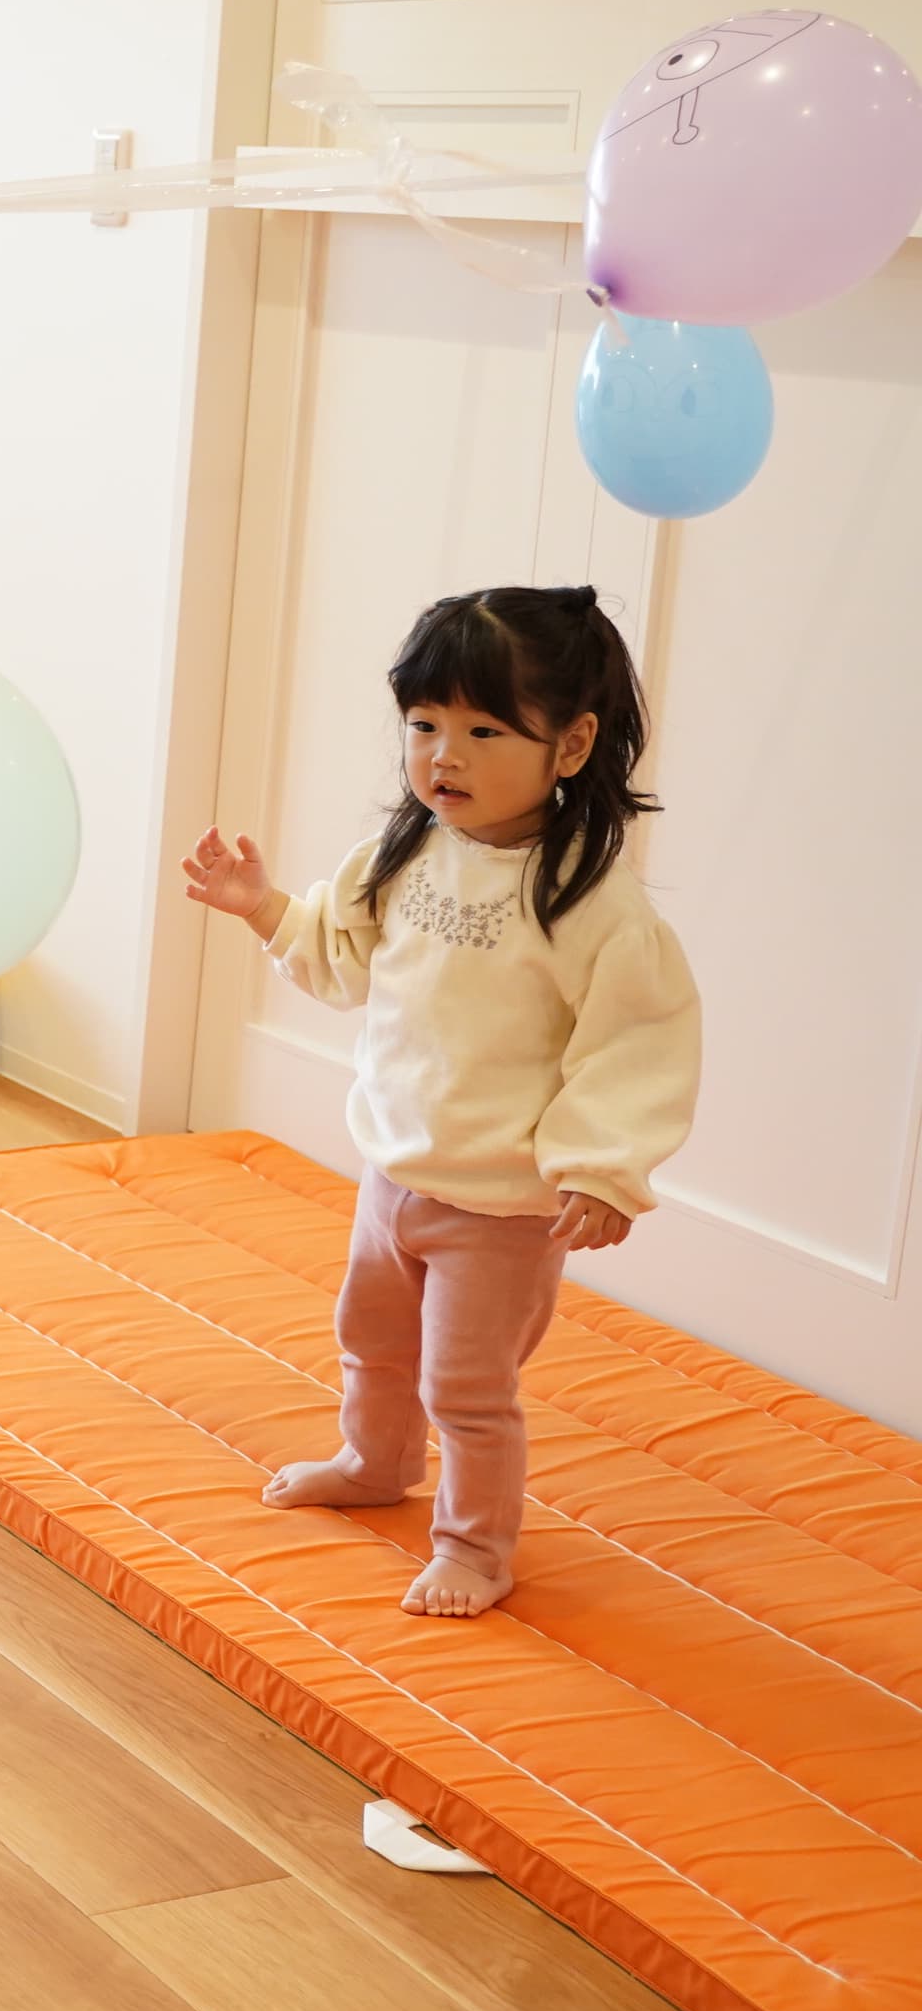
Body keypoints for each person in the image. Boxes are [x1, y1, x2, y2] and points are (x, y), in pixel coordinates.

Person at [183, 586, 698, 1619]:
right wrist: (262, 907)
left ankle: (474, 1546)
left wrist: (604, 1170)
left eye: (482, 731)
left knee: (466, 1387)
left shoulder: (592, 904)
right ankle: (375, 1461)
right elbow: (341, 955)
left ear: (571, 743)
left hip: (499, 1208)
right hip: (394, 1174)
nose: (442, 756)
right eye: (424, 725)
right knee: (372, 1341)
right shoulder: (407, 852)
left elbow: (635, 1045)